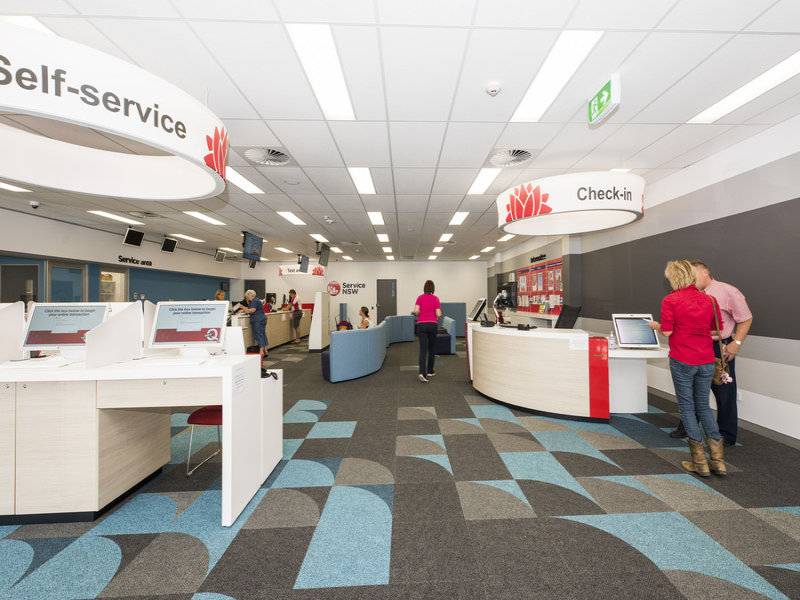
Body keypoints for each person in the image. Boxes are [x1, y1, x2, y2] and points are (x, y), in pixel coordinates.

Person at [650, 260, 726, 477]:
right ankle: (718, 461)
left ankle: (700, 462)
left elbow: (667, 331)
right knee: (704, 406)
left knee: (687, 408)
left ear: (674, 278)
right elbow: (717, 330)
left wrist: (655, 325)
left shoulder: (671, 300)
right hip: (706, 360)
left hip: (682, 359)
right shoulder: (709, 299)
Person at [668, 260, 753, 446]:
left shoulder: (728, 291)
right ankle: (687, 427)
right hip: (691, 345)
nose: (689, 277)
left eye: (693, 273)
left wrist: (736, 343)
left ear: (705, 272)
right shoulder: (684, 294)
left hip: (718, 347)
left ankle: (726, 435)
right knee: (690, 389)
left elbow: (746, 318)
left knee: (724, 391)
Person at [413, 280, 442, 383]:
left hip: (421, 325)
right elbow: (438, 314)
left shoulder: (420, 298)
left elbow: (416, 311)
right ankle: (430, 371)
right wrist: (437, 312)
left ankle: (422, 373)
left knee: (423, 349)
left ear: (424, 288)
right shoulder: (436, 298)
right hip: (432, 325)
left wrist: (419, 313)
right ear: (433, 288)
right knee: (432, 348)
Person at [243, 289, 268, 360]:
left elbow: (252, 310)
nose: (247, 298)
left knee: (259, 334)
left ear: (251, 295)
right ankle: (265, 350)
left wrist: (244, 309)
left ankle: (261, 351)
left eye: (247, 296)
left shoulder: (254, 301)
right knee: (262, 334)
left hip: (258, 320)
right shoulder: (257, 300)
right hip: (262, 319)